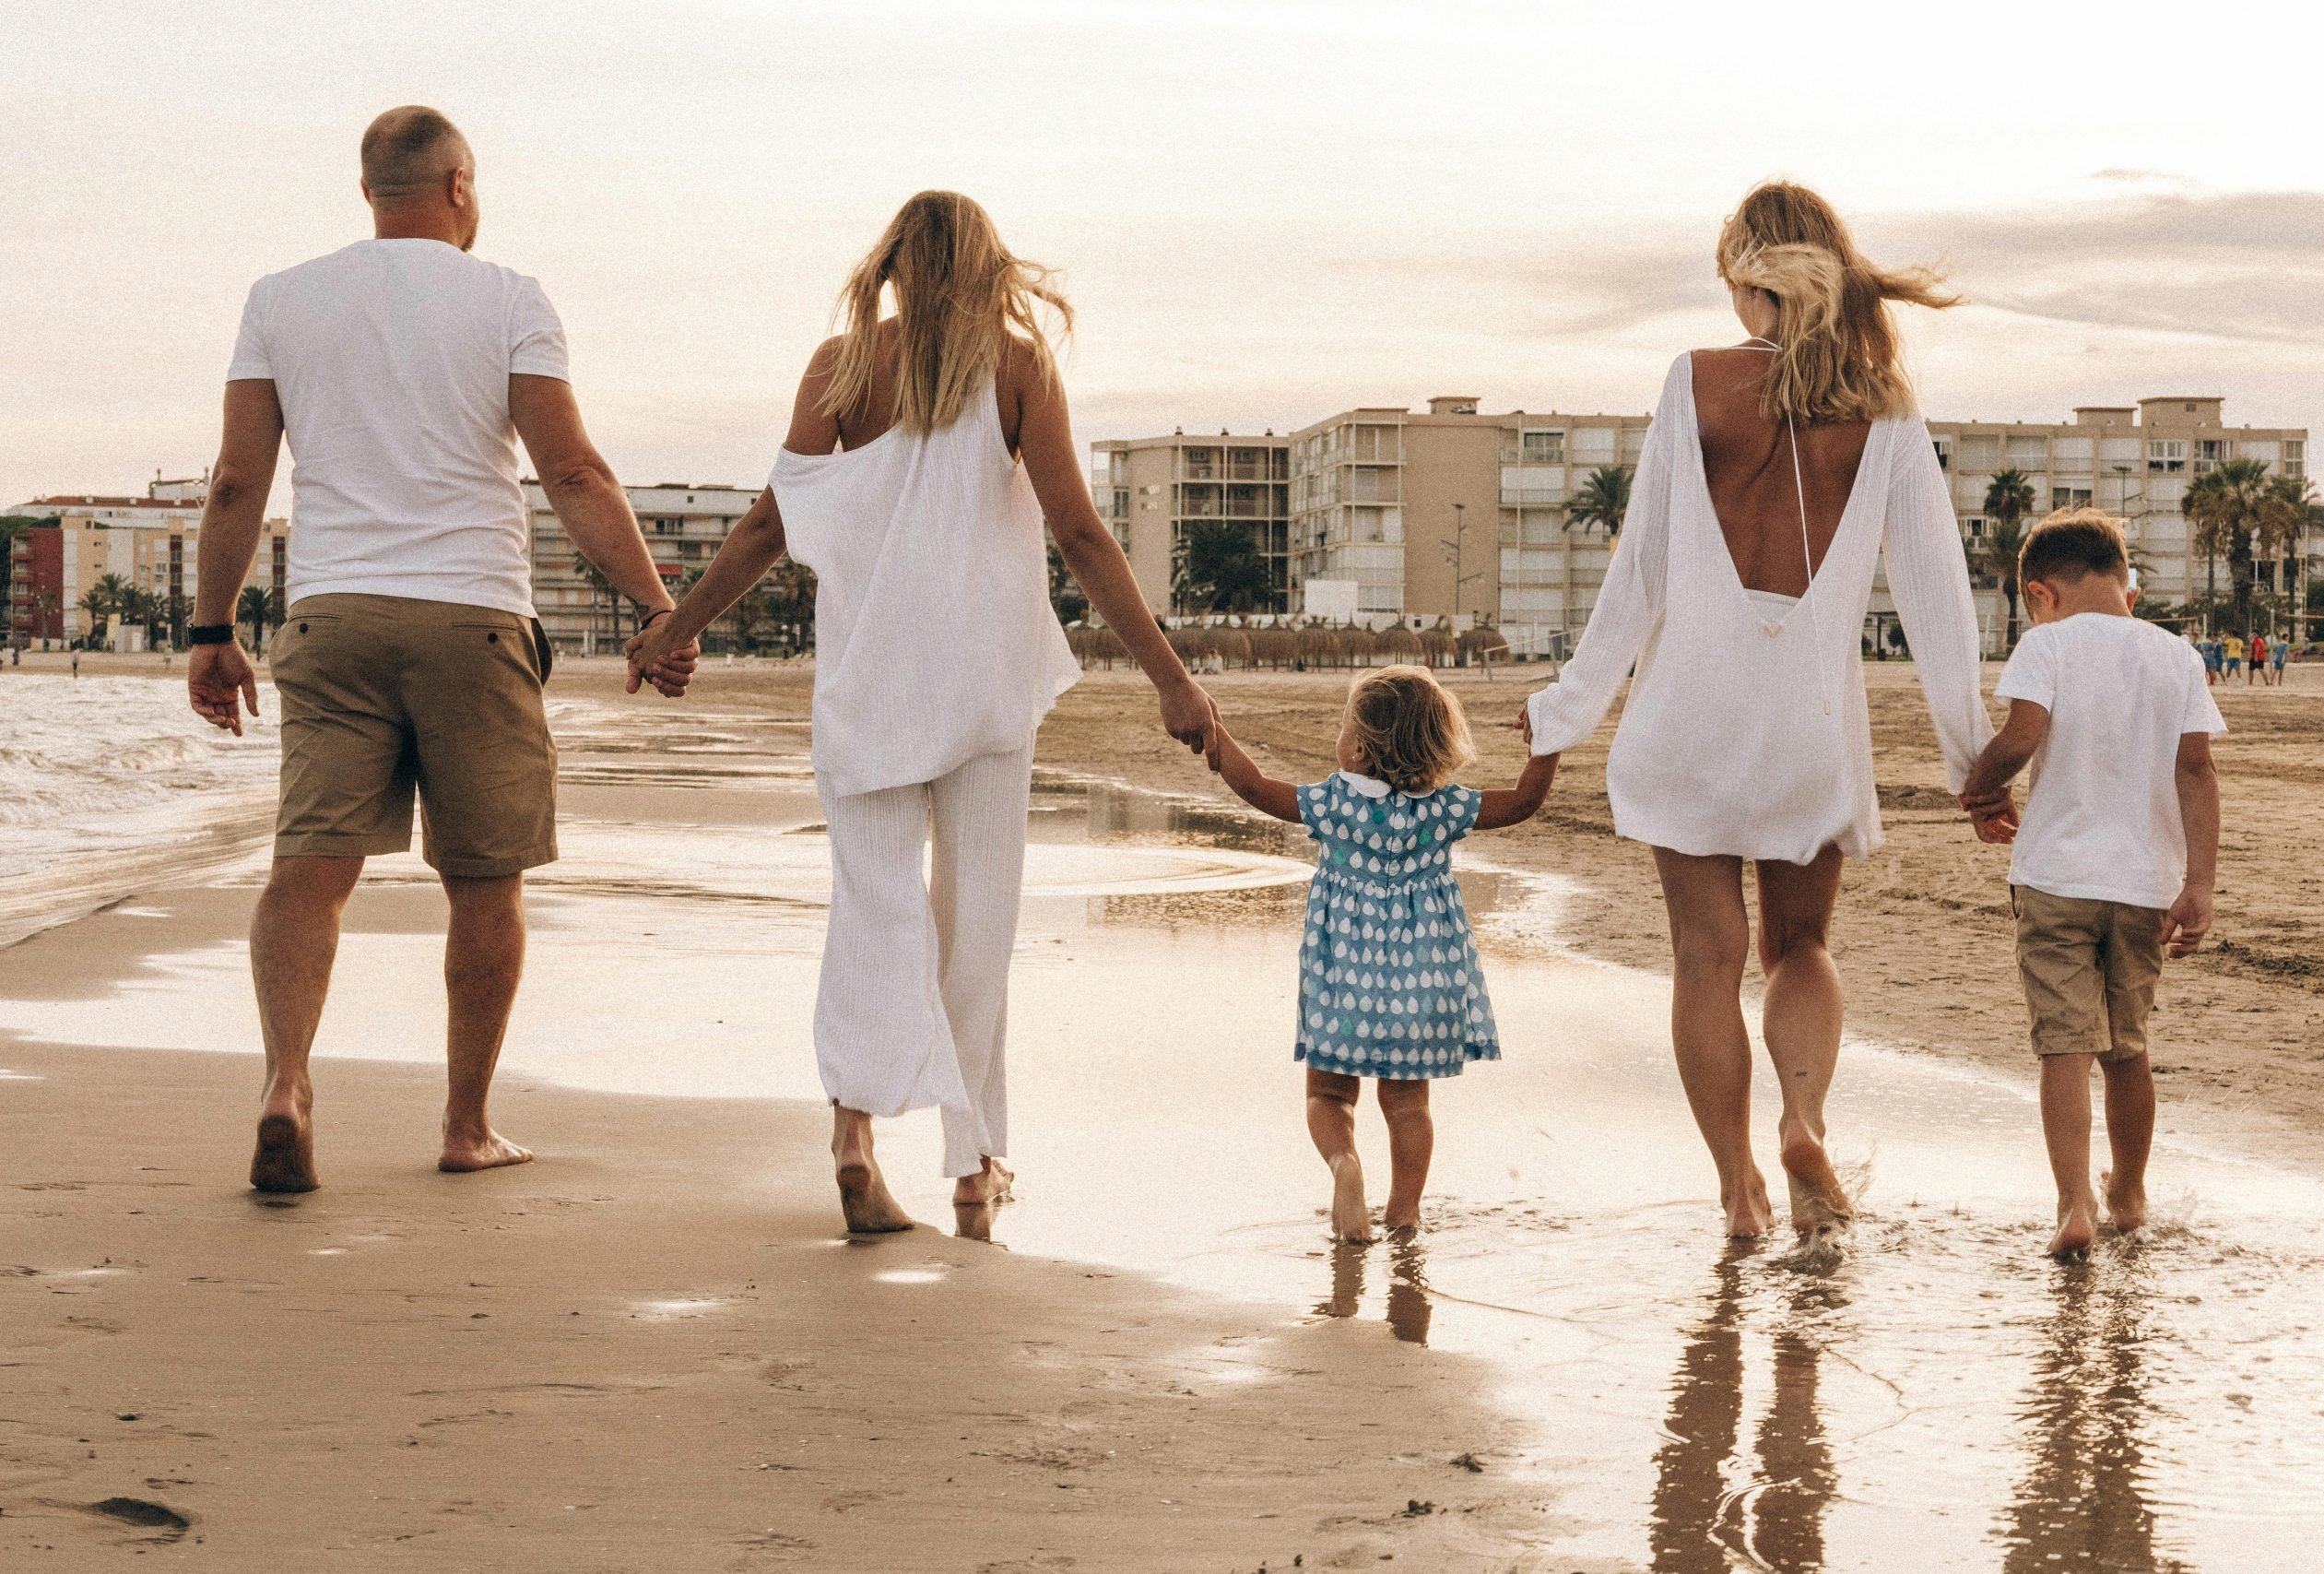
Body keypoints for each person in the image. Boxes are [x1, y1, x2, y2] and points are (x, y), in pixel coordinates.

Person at [630, 191, 1217, 1235]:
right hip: (983, 684)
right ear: (990, 267)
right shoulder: (1017, 364)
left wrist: (681, 624)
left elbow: (769, 524)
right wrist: (1170, 677)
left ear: (894, 266)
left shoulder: (840, 367)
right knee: (976, 923)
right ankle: (972, 1166)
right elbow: (1079, 533)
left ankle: (854, 1136)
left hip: (868, 682)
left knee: (874, 907)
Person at [186, 107, 692, 1193]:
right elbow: (574, 476)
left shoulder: (281, 299)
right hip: (472, 620)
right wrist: (657, 608)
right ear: (459, 185)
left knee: (309, 872)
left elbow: (237, 481)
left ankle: (286, 1083)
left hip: (333, 616)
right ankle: (464, 1125)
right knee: (483, 879)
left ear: (369, 191)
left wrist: (210, 629)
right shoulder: (507, 297)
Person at [1516, 181, 1991, 1239]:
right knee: (1801, 944)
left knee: (1704, 956)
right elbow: (1934, 595)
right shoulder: (1887, 408)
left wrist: (1564, 711)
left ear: (1746, 281)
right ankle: (1803, 1119)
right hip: (1808, 725)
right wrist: (1973, 758)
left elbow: (1636, 574)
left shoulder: (1693, 382)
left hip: (1688, 711)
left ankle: (1737, 1193)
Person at [1200, 666, 1559, 1241]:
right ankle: (1406, 1210)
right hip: (1423, 979)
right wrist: (1548, 741)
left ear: (1361, 749)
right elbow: (1522, 802)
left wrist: (1216, 736)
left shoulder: (1334, 803)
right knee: (1409, 1104)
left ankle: (1346, 1166)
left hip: (1345, 974)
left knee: (1328, 1092)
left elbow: (1255, 787)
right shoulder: (1444, 808)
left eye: (1344, 727)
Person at [1956, 508, 2222, 1261]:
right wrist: (2199, 882)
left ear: (2041, 593)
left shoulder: (2046, 644)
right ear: (2125, 584)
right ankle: (2130, 1195)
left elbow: (2021, 736)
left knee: (2063, 1048)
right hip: (2144, 882)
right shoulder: (2177, 657)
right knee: (2127, 1046)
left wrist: (1982, 792)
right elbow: (2197, 769)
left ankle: (2074, 1205)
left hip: (2055, 878)